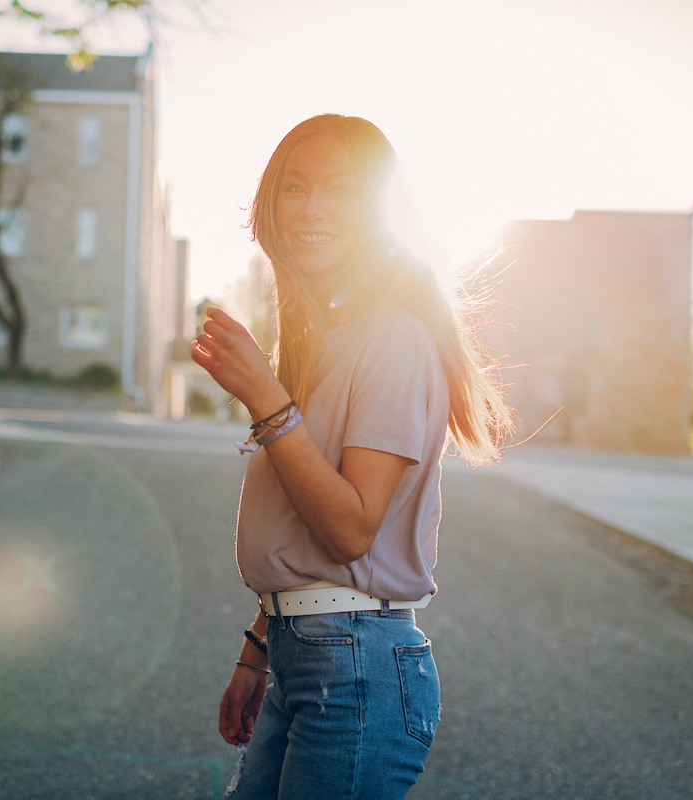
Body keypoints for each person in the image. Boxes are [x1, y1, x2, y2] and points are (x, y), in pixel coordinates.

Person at [189, 114, 513, 799]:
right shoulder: (321, 344)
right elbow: (304, 532)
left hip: (357, 664)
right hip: (303, 651)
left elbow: (349, 528)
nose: (312, 208)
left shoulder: (395, 340)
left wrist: (266, 399)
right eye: (294, 188)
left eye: (340, 190)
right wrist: (258, 647)